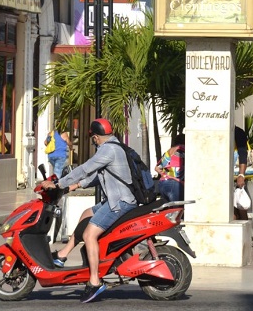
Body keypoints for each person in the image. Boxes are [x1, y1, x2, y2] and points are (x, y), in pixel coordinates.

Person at [40, 118, 137, 303]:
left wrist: (58, 183)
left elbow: (86, 168)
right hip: (116, 199)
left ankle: (95, 281)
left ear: (95, 137)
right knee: (86, 213)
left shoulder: (108, 149)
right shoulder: (114, 145)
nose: (94, 140)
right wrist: (73, 186)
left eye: (93, 137)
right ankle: (62, 255)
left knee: (89, 235)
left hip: (120, 202)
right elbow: (99, 175)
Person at [155, 134, 185, 202]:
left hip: (162, 184)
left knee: (170, 210)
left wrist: (165, 175)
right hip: (175, 185)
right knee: (178, 209)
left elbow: (157, 168)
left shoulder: (168, 152)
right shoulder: (183, 150)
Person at [234, 125, 249, 220]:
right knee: (232, 209)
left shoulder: (238, 132)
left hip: (236, 176)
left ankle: (246, 232)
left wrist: (241, 175)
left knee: (241, 206)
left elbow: (243, 154)